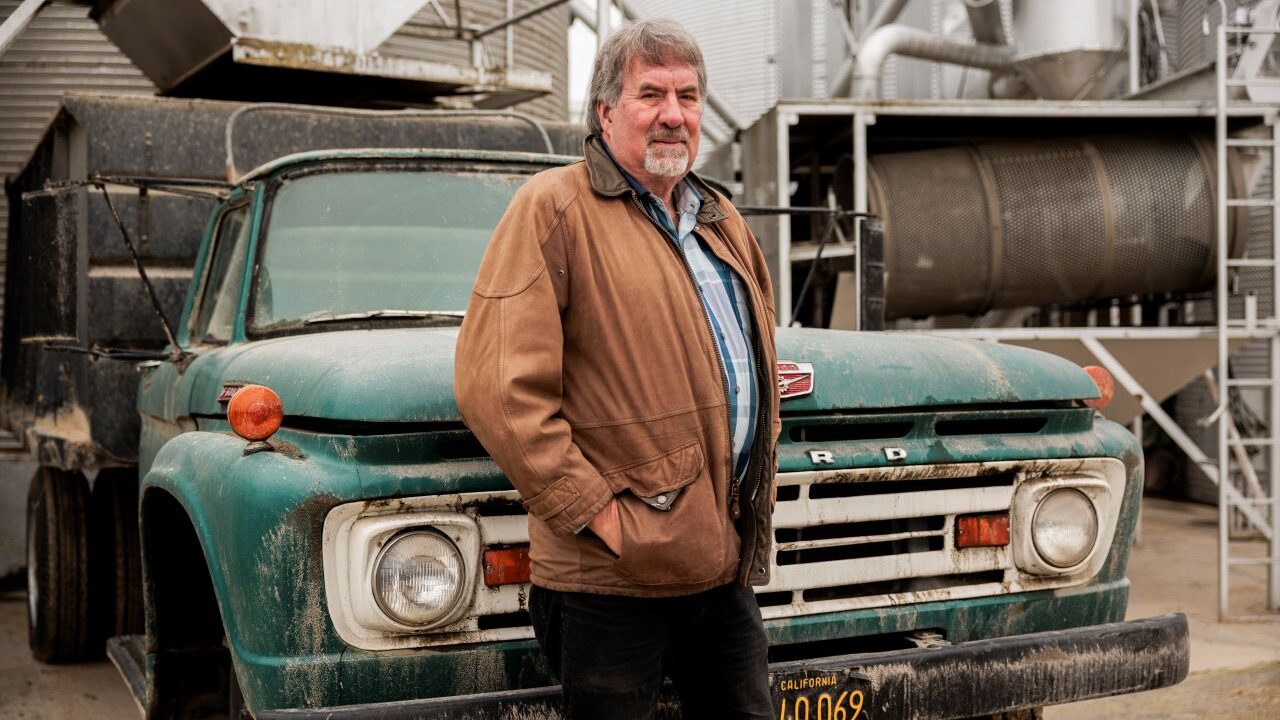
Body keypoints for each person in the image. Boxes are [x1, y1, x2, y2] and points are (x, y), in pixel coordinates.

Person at [454, 18, 780, 720]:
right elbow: (498, 388)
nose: (673, 115)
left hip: (719, 572)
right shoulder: (554, 210)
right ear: (605, 113)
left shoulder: (720, 219)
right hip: (609, 584)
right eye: (651, 94)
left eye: (688, 96)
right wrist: (594, 512)